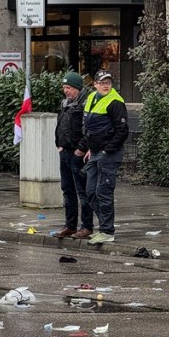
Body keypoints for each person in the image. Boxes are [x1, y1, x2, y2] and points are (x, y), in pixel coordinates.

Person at [80, 70, 129, 245]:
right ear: (95, 84)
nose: (106, 85)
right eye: (102, 83)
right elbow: (89, 127)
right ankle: (104, 226)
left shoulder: (115, 102)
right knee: (90, 192)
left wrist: (106, 150)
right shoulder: (92, 98)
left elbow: (122, 131)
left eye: (108, 82)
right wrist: (89, 148)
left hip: (109, 154)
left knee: (103, 192)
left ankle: (108, 231)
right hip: (95, 152)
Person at [54, 71, 93, 239]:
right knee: (67, 189)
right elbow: (61, 125)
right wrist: (59, 144)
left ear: (77, 88)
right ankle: (70, 225)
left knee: (82, 191)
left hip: (78, 154)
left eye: (68, 87)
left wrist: (81, 149)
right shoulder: (66, 103)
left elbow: (88, 128)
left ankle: (86, 227)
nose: (66, 91)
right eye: (64, 87)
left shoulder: (85, 103)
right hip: (65, 152)